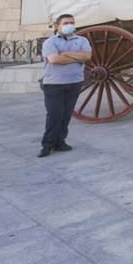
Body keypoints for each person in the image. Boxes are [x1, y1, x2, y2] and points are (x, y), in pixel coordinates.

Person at [39, 13, 91, 157]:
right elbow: (54, 59)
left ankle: (60, 141)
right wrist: (76, 57)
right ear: (57, 26)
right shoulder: (50, 42)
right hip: (54, 83)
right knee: (54, 114)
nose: (70, 25)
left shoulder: (82, 40)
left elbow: (87, 56)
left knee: (66, 114)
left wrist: (66, 53)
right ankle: (47, 144)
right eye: (66, 23)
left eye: (72, 22)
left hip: (74, 82)